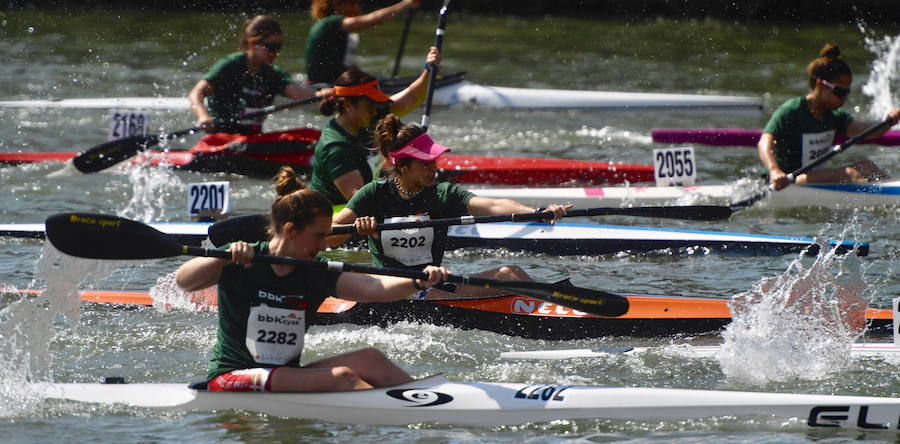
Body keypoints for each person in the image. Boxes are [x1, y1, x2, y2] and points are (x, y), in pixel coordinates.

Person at [175, 179, 449, 393]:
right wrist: (221, 261)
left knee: (371, 359)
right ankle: (401, 417)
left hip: (283, 374)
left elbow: (374, 287)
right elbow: (184, 281)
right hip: (232, 376)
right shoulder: (243, 258)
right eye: (318, 237)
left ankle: (429, 404)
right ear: (291, 230)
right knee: (343, 378)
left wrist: (418, 281)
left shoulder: (314, 270)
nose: (323, 246)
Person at [330, 114, 571, 300]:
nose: (433, 168)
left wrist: (537, 213)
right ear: (403, 166)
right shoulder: (374, 193)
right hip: (391, 291)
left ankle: (552, 308)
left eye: (433, 161)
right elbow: (328, 236)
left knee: (512, 274)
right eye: (425, 163)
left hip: (434, 285)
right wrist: (354, 228)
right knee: (435, 294)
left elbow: (492, 204)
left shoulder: (443, 193)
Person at [758, 42, 900, 190]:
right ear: (820, 84)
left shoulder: (834, 117)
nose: (844, 98)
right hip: (784, 181)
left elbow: (870, 132)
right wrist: (774, 171)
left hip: (811, 179)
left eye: (847, 92)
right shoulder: (792, 111)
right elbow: (764, 143)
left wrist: (889, 120)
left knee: (867, 167)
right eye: (839, 92)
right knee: (850, 174)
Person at [308, 47, 439, 204]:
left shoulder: (366, 115)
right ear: (348, 105)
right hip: (336, 214)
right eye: (370, 105)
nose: (375, 110)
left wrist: (428, 71)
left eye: (376, 104)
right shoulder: (336, 147)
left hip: (364, 204)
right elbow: (359, 200)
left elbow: (410, 98)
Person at [188, 15, 330, 135]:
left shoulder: (273, 74)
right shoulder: (230, 65)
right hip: (221, 138)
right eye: (271, 47)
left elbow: (298, 93)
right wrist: (203, 117)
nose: (276, 53)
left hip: (253, 138)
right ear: (253, 43)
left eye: (279, 47)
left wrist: (323, 94)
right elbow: (196, 94)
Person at [306, 0, 421, 85]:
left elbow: (347, 64)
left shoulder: (342, 30)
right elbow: (374, 19)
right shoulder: (329, 24)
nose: (358, 9)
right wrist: (406, 4)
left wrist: (368, 79)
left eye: (359, 4)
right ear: (338, 5)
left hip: (334, 80)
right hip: (323, 85)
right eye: (353, 4)